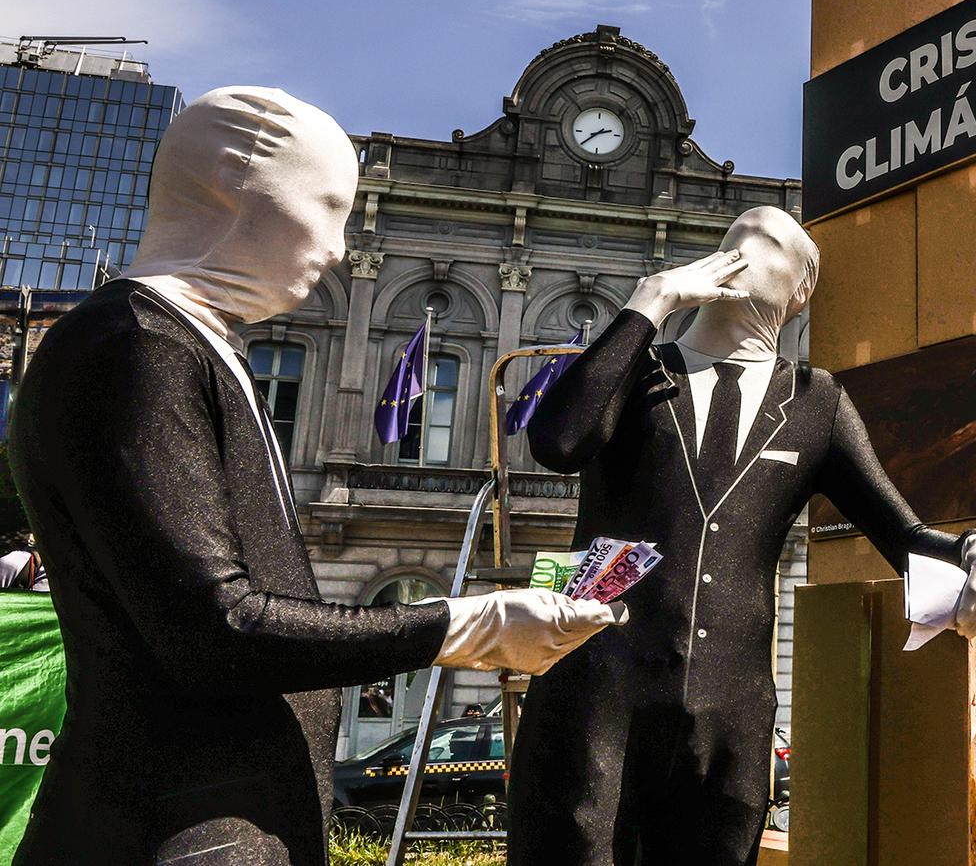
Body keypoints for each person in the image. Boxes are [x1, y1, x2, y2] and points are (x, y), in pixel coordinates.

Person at [5, 87, 621, 865]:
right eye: (328, 206)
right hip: (169, 831)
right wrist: (470, 624)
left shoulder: (181, 343)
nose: (337, 246)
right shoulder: (136, 347)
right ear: (234, 181)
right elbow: (216, 627)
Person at [510, 206, 976, 866]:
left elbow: (905, 534)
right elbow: (556, 440)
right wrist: (650, 300)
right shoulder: (637, 367)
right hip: (592, 713)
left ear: (802, 289)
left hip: (728, 734)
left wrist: (974, 547)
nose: (750, 234)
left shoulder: (817, 401)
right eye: (735, 233)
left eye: (773, 236)